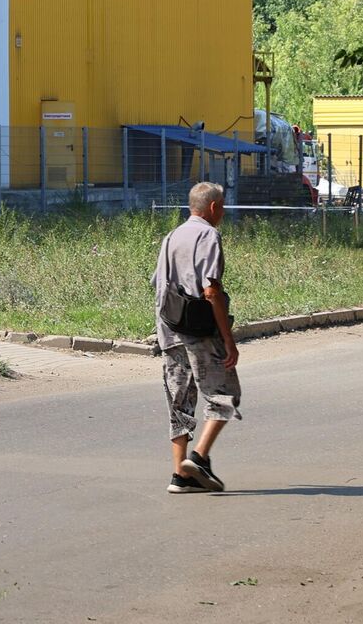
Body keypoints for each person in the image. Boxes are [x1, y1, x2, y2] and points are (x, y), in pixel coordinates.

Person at [154, 180, 242, 494]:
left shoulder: (171, 236)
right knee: (225, 394)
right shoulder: (209, 235)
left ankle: (180, 475)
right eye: (223, 206)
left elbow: (159, 284)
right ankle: (200, 458)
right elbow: (211, 290)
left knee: (179, 402)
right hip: (200, 332)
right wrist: (227, 339)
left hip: (169, 330)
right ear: (214, 207)